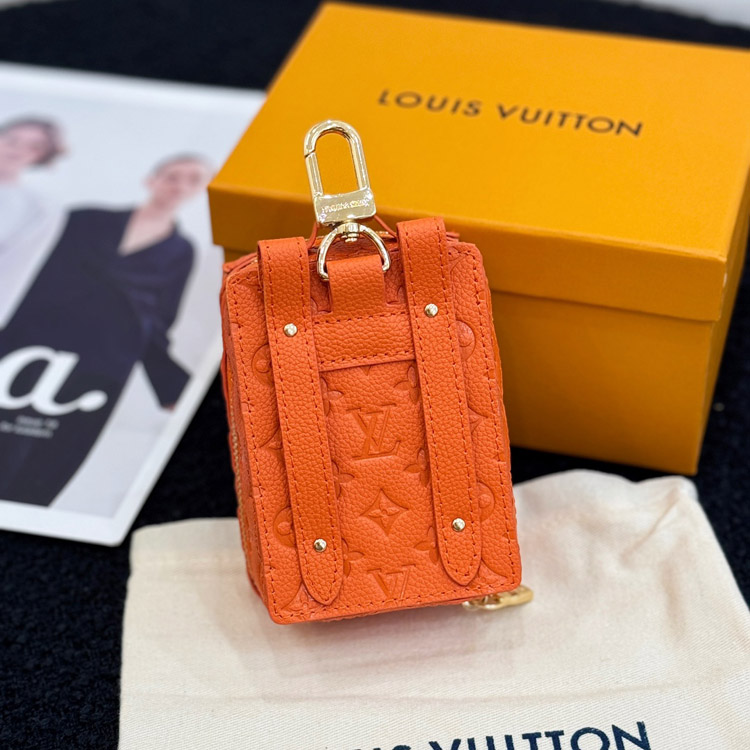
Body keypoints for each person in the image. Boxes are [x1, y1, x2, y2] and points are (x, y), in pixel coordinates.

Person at [0, 154, 212, 506]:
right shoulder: (83, 219)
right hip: (32, 345)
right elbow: (24, 273)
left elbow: (158, 322)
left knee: (48, 464)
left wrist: (171, 387)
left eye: (193, 180)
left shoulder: (180, 251)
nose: (180, 186)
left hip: (103, 365)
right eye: (174, 176)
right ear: (152, 180)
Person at [0, 117, 65, 327]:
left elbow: (14, 271)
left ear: (43, 155)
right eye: (12, 140)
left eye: (33, 146)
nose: (17, 149)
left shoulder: (40, 209)